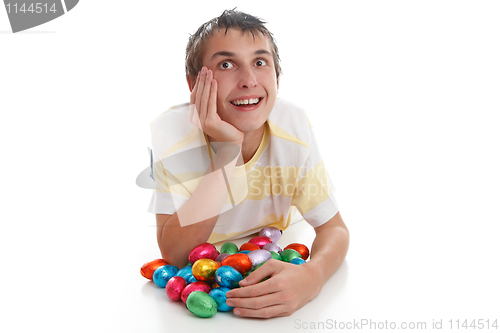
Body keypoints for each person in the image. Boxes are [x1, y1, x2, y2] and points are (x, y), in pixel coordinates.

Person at [148, 9, 349, 318]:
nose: (249, 80)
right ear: (194, 83)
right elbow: (174, 254)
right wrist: (227, 151)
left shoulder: (292, 128)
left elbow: (334, 228)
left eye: (260, 62)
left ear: (277, 78)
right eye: (226, 64)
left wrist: (314, 276)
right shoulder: (174, 136)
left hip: (270, 243)